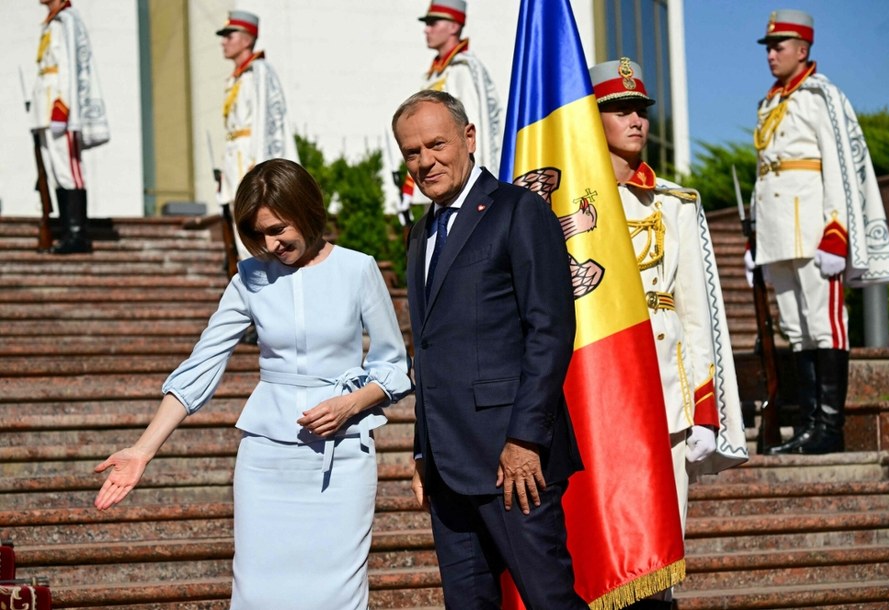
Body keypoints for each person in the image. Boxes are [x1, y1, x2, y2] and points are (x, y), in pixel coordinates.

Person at [93, 159, 412, 610]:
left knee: (337, 594)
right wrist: (142, 450)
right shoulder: (248, 277)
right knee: (258, 592)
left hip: (342, 459)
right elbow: (201, 365)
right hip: (266, 461)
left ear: (306, 210)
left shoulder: (357, 270)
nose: (270, 244)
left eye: (278, 229)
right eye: (258, 234)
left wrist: (351, 404)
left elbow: (395, 365)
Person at [392, 89, 589, 610]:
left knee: (550, 601)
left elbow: (549, 329)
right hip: (447, 466)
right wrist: (421, 448)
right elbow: (430, 350)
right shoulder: (421, 234)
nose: (425, 161)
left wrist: (525, 439)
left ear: (469, 138)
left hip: (512, 461)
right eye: (412, 152)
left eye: (436, 144)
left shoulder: (519, 210)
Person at [590, 58, 747, 608]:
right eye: (620, 109)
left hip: (665, 393)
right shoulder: (568, 202)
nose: (636, 120)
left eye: (641, 110)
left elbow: (699, 315)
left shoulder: (676, 203)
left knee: (659, 552)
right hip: (595, 393)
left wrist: (707, 408)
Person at [747, 10, 889, 455]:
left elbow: (840, 168)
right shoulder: (770, 102)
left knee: (825, 327)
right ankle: (807, 428)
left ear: (803, 49)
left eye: (780, 45)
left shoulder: (821, 95)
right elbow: (766, 174)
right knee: (797, 331)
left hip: (813, 231)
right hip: (778, 235)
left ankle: (828, 427)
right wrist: (755, 240)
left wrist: (836, 232)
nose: (772, 53)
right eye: (769, 47)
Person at [398, 0, 502, 214]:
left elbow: (474, 128)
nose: (427, 29)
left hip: (465, 187)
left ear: (454, 26)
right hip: (442, 182)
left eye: (433, 22)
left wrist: (483, 187)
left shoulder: (463, 69)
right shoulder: (438, 72)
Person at [32, 0, 109, 254]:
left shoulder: (67, 20)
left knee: (70, 171)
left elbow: (68, 68)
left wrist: (61, 109)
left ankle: (77, 234)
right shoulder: (52, 23)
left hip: (60, 110)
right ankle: (67, 232)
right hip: (46, 110)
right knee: (56, 173)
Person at [216, 10, 298, 226]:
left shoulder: (259, 72)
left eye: (229, 36)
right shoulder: (235, 79)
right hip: (235, 157)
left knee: (258, 217)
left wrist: (261, 164)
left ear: (247, 39)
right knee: (239, 218)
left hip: (251, 155)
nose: (223, 42)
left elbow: (267, 121)